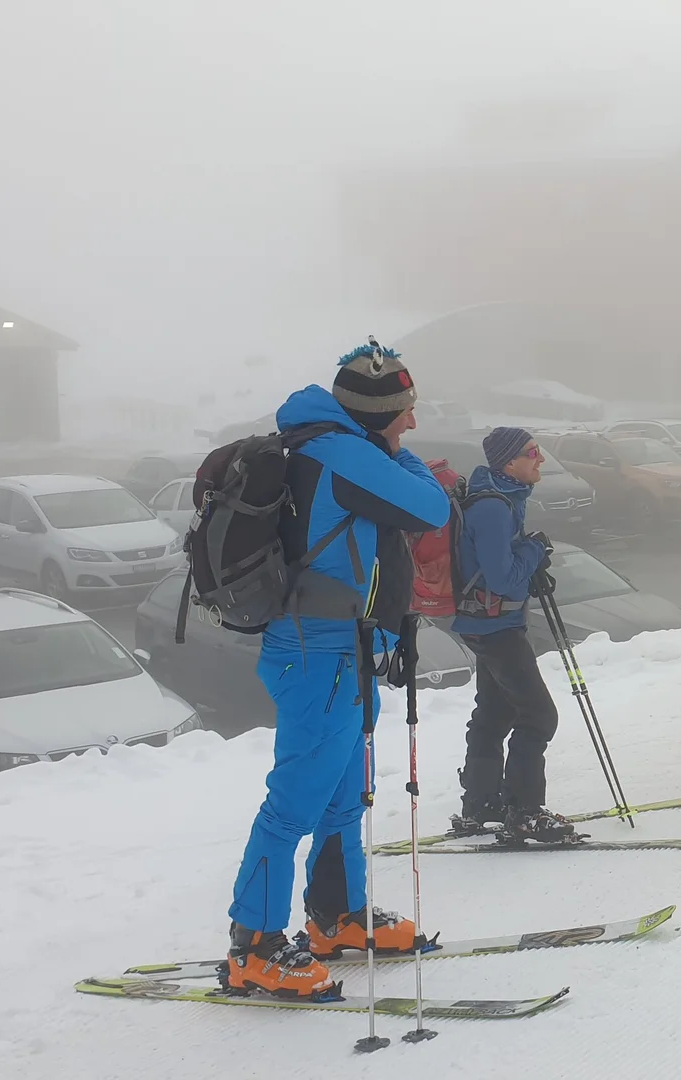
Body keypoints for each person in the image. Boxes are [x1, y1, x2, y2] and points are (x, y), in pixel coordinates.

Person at [222, 344, 451, 1000]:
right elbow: (431, 508)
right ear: (379, 413)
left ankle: (336, 918)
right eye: (404, 413)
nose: (411, 425)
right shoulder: (343, 453)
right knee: (293, 804)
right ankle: (253, 945)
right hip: (315, 652)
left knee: (342, 797)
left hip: (341, 651)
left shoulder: (338, 447)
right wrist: (395, 455)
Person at [448, 426, 571, 842]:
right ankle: (524, 812)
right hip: (495, 626)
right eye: (532, 452)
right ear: (508, 462)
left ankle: (480, 805)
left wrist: (528, 554)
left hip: (486, 623)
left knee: (496, 712)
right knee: (538, 715)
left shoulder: (503, 499)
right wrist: (535, 551)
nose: (540, 459)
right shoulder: (494, 508)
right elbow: (501, 578)